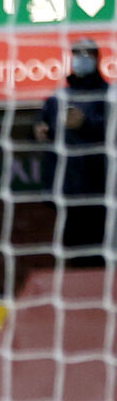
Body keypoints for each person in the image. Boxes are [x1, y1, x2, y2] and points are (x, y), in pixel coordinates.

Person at [35, 40, 114, 261]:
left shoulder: (109, 95)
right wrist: (39, 129)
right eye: (77, 54)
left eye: (87, 54)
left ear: (97, 58)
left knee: (102, 252)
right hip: (68, 188)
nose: (81, 58)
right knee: (74, 252)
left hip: (101, 189)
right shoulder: (57, 98)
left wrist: (85, 124)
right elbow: (40, 126)